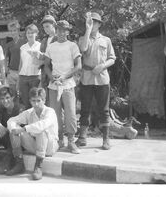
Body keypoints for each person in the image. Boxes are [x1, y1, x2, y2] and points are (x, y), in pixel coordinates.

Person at [76, 12, 116, 150]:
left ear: (99, 24)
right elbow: (83, 49)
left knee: (104, 109)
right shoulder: (83, 38)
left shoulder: (106, 40)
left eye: (95, 22)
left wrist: (102, 66)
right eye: (90, 22)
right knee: (85, 109)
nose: (93, 24)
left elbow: (112, 58)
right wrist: (87, 29)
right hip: (87, 77)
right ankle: (82, 138)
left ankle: (106, 139)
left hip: (102, 78)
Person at [44, 20, 82, 154]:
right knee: (55, 113)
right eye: (59, 30)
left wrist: (65, 76)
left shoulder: (73, 46)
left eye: (64, 30)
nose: (61, 32)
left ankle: (71, 141)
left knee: (71, 113)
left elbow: (78, 66)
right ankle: (59, 140)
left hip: (68, 84)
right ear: (56, 30)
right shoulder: (51, 46)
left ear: (68, 32)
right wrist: (51, 77)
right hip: (54, 85)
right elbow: (46, 65)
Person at [6, 87, 59, 180]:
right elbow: (12, 120)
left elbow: (42, 125)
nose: (36, 104)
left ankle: (38, 167)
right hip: (36, 146)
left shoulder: (50, 111)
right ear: (30, 101)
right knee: (14, 130)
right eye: (33, 101)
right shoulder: (29, 112)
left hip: (50, 147)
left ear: (44, 100)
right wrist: (14, 129)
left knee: (41, 130)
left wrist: (24, 129)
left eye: (39, 100)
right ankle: (19, 163)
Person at [18, 24, 43, 109]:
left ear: (36, 34)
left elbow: (43, 61)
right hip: (23, 77)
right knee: (26, 102)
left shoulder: (40, 46)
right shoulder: (22, 47)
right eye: (28, 33)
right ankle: (28, 121)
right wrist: (18, 79)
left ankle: (36, 120)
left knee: (35, 101)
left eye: (32, 33)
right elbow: (21, 64)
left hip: (35, 77)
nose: (30, 35)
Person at [39, 15, 58, 105]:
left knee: (56, 100)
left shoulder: (59, 38)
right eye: (44, 27)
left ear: (53, 24)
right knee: (45, 98)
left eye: (47, 26)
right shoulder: (44, 40)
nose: (45, 29)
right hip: (44, 73)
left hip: (56, 72)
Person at [5, 20, 26, 97]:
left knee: (22, 94)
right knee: (12, 94)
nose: (13, 32)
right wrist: (5, 68)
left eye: (14, 30)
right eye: (11, 31)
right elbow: (5, 57)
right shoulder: (9, 44)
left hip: (22, 72)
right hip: (12, 72)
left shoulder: (24, 42)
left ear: (18, 31)